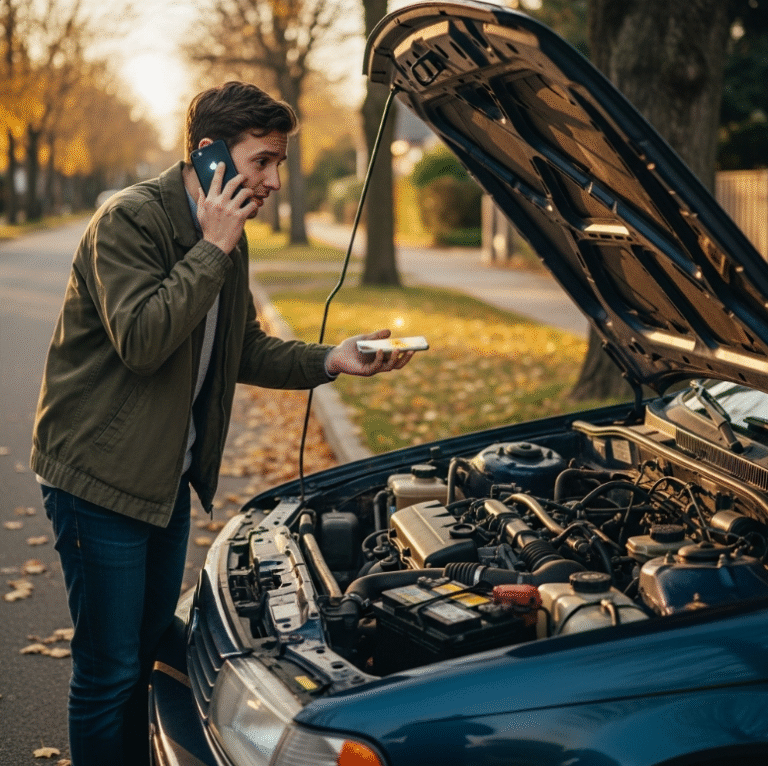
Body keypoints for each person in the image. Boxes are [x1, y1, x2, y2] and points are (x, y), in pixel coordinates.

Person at [30, 81, 412, 766]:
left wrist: (333, 357)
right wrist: (211, 248)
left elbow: (244, 346)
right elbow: (143, 341)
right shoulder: (130, 222)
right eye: (261, 161)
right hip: (98, 481)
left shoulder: (226, 236)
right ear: (208, 155)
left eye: (278, 164)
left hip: (161, 483)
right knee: (109, 671)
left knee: (145, 657)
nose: (272, 180)